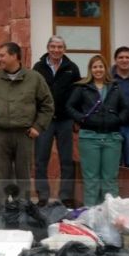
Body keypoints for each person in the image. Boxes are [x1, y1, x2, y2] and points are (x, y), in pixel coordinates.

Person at [0, 42, 54, 205]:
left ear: (15, 56)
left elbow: (48, 104)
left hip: (24, 134)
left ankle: (22, 209)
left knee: (23, 174)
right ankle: (2, 210)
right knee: (0, 174)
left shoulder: (34, 78)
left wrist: (38, 127)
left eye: (2, 55)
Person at [66, 55, 129, 206]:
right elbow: (69, 107)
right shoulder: (83, 87)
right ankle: (91, 215)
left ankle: (110, 214)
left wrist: (118, 120)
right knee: (91, 180)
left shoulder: (115, 86)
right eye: (95, 67)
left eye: (100, 66)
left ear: (105, 68)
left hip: (112, 138)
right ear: (90, 70)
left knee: (110, 179)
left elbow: (126, 108)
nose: (98, 70)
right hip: (89, 138)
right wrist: (82, 119)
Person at [32, 35, 80, 206]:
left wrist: (75, 117)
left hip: (65, 120)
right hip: (44, 120)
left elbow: (77, 95)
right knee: (40, 159)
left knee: (67, 160)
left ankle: (66, 196)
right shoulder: (38, 67)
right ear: (48, 48)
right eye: (53, 46)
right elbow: (33, 93)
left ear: (64, 49)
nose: (56, 50)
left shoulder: (72, 68)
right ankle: (43, 196)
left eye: (59, 47)